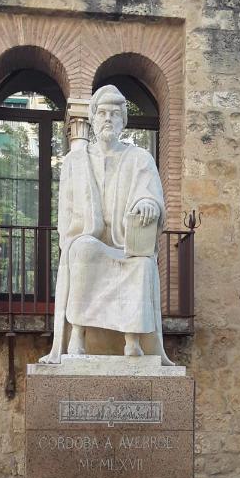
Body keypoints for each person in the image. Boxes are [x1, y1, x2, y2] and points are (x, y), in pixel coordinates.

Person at [39, 84, 172, 365]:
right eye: (102, 113)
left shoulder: (140, 159)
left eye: (115, 113)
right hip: (90, 240)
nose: (108, 119)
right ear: (93, 118)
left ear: (123, 120)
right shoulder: (76, 161)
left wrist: (149, 205)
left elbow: (151, 195)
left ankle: (132, 341)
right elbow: (67, 212)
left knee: (142, 263)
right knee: (83, 250)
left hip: (125, 243)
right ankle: (78, 335)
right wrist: (77, 235)